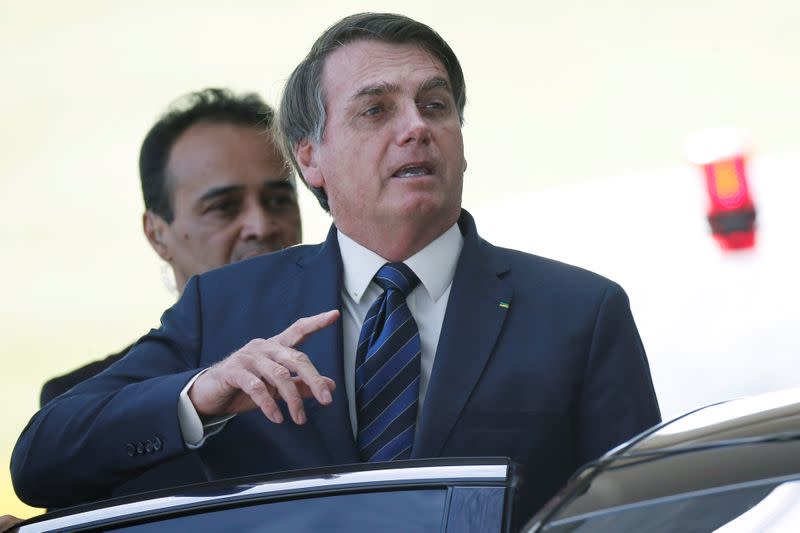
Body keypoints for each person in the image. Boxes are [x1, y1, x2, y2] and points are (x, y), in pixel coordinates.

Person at [12, 14, 660, 527]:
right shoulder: (224, 307)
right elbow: (41, 459)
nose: (416, 128)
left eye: (435, 105)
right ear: (311, 159)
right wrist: (197, 397)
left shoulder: (581, 312)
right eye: (376, 110)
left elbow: (649, 517)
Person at [39, 88, 302, 406]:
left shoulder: (364, 354)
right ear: (157, 234)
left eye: (278, 200)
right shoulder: (85, 403)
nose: (261, 226)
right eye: (224, 207)